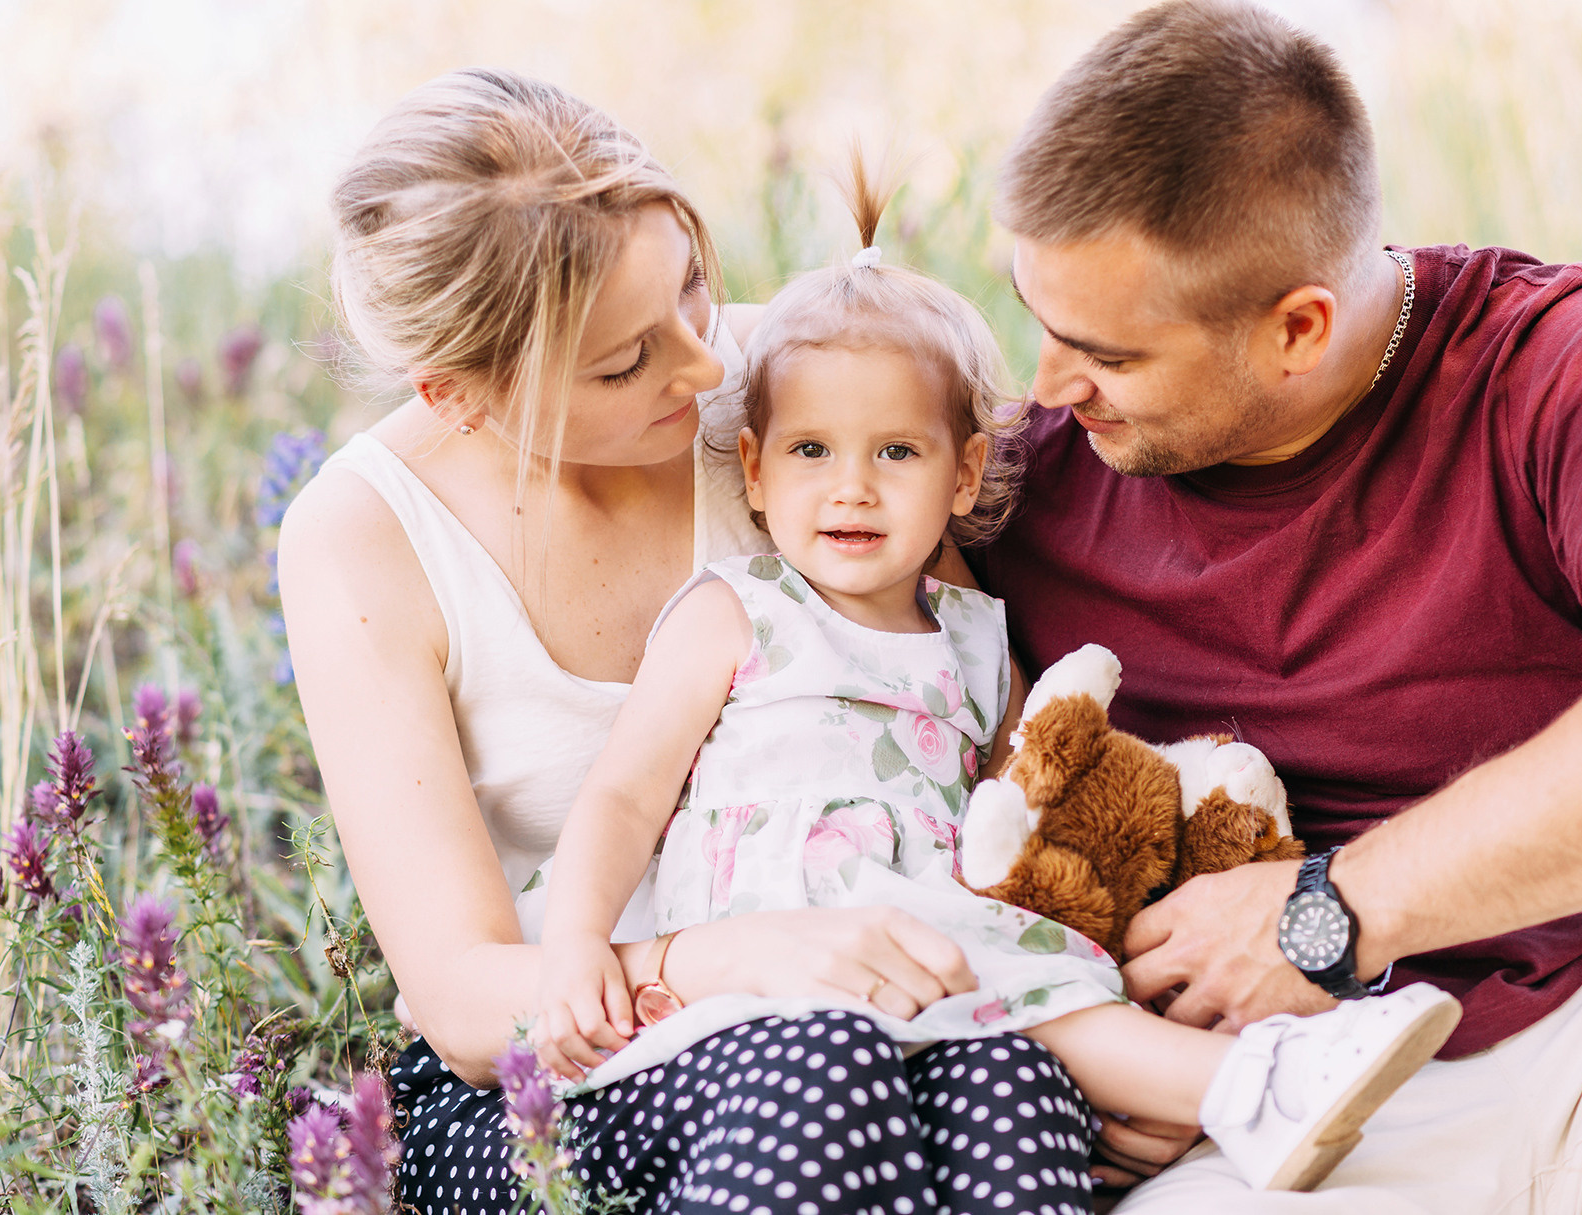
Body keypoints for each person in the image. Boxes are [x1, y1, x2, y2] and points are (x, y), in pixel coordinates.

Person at [967, 0, 1582, 1212]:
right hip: (1298, 1127)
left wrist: (1333, 911)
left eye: (1110, 352)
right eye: (1036, 322)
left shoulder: (1561, 363)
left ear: (1297, 327)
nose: (1048, 385)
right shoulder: (1020, 481)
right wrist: (1079, 1045)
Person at [278, 68, 1106, 1215]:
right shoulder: (365, 536)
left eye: (694, 287)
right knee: (819, 1063)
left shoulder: (795, 398)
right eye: (623, 363)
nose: (707, 367)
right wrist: (740, 957)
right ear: (461, 396)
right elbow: (466, 1001)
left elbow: (954, 699)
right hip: (561, 1066)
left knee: (1009, 1088)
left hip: (866, 969)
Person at [534, 177, 1463, 1197]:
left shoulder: (975, 639)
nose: (850, 486)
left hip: (936, 956)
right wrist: (577, 943)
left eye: (896, 451)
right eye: (809, 451)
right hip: (784, 948)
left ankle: (1225, 1084)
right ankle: (1248, 1084)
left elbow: (1036, 796)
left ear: (965, 475)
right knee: (1031, 986)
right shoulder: (738, 611)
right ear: (752, 473)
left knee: (1019, 1051)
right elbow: (623, 795)